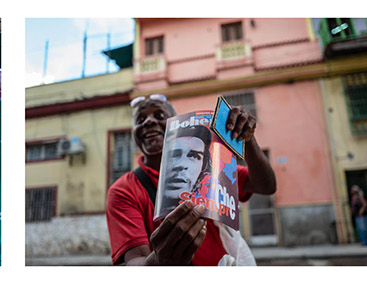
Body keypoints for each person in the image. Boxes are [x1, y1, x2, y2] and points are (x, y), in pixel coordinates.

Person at [105, 94, 277, 266]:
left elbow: (266, 186)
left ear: (176, 125)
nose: (148, 121)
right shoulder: (123, 190)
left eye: (159, 115)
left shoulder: (211, 170)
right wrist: (159, 262)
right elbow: (133, 261)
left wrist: (248, 141)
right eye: (140, 119)